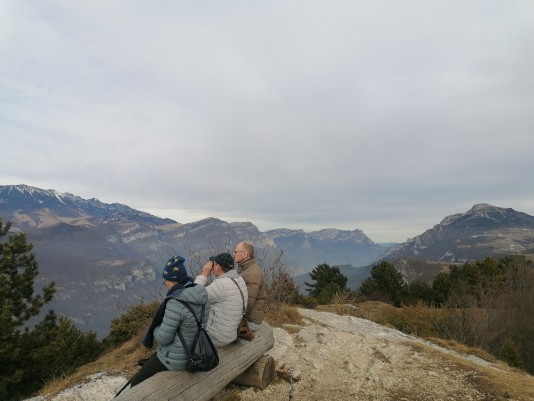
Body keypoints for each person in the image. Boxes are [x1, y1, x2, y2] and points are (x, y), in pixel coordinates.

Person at [127, 255, 209, 389]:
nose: (165, 283)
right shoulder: (202, 295)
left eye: (166, 280)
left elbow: (164, 339)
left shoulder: (175, 302)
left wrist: (154, 328)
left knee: (136, 382)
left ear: (173, 281)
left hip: (178, 359)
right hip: (198, 351)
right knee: (148, 363)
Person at [194, 252, 248, 347]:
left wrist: (204, 274)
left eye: (213, 264)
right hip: (231, 332)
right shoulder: (239, 279)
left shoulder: (221, 285)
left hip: (218, 337)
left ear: (218, 266)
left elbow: (194, 296)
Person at [233, 242, 266, 331]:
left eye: (236, 252)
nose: (233, 254)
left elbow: (247, 304)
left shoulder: (251, 275)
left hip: (250, 321)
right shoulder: (246, 269)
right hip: (248, 318)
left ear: (245, 254)